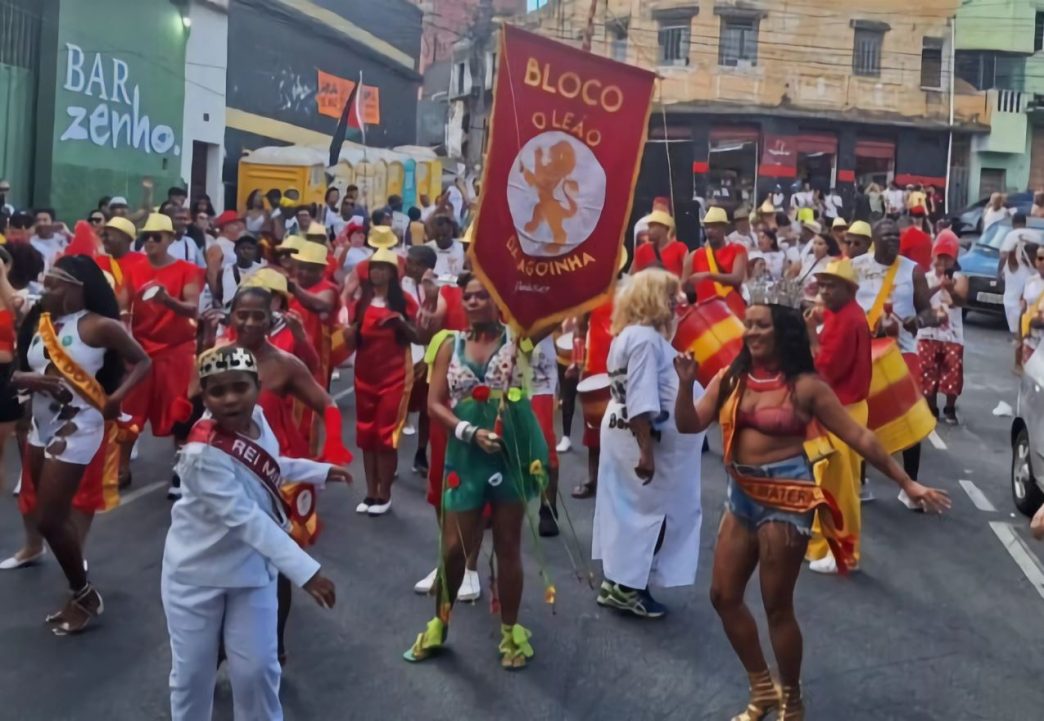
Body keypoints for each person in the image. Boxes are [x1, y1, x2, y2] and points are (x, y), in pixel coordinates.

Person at [674, 293, 950, 721]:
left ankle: (793, 699)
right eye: (747, 324)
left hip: (788, 500)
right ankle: (763, 688)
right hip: (741, 496)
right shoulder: (732, 377)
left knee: (776, 606)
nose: (751, 332)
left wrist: (906, 482)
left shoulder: (806, 386)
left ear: (782, 333)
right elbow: (689, 423)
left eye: (761, 325)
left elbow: (859, 437)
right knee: (722, 596)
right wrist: (682, 382)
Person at [162, 345, 348, 721]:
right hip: (197, 578)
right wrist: (307, 571)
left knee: (259, 671)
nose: (230, 399)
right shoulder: (201, 454)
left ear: (257, 386)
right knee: (193, 677)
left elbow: (268, 466)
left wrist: (317, 471)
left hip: (251, 572)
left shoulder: (259, 419)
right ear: (204, 396)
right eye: (217, 391)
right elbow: (245, 518)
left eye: (239, 387)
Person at [403, 273, 549, 668]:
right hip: (466, 454)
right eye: (467, 296)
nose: (472, 302)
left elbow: (556, 307)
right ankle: (439, 622)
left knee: (507, 544)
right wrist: (469, 431)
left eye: (482, 295)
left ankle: (510, 632)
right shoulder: (448, 344)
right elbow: (434, 403)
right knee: (453, 548)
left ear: (497, 301)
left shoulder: (518, 339)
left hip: (511, 450)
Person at [11, 255, 150, 633]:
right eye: (47, 282)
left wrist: (116, 398)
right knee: (48, 514)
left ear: (77, 288)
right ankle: (79, 590)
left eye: (56, 284)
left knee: (49, 518)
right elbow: (21, 369)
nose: (47, 289)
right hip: (41, 425)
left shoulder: (99, 326)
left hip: (78, 425)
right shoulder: (41, 324)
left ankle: (84, 593)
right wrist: (26, 378)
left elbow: (143, 362)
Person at [592, 268, 703, 618]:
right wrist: (646, 451)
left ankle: (619, 580)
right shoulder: (642, 338)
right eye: (670, 297)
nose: (675, 304)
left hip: (633, 435)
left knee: (631, 512)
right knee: (650, 515)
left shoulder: (638, 335)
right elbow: (640, 397)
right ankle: (629, 588)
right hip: (643, 440)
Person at [852, 218, 940, 509]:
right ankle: (860, 481)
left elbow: (929, 311)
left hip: (901, 351)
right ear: (874, 239)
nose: (892, 240)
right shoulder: (856, 266)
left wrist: (919, 321)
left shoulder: (912, 270)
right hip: (864, 350)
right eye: (886, 236)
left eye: (895, 237)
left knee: (911, 414)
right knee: (863, 415)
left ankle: (910, 487)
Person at [121, 213, 203, 499]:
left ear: (171, 238)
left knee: (180, 411)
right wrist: (124, 342)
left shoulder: (187, 270)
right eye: (147, 237)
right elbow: (122, 308)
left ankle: (180, 472)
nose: (151, 242)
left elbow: (192, 309)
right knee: (130, 411)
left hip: (177, 349)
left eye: (157, 237)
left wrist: (167, 300)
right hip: (141, 350)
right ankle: (121, 469)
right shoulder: (133, 269)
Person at [803, 258, 872, 574]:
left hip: (842, 411)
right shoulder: (842, 314)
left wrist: (811, 336)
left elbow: (826, 370)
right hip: (843, 408)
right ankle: (822, 546)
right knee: (828, 480)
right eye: (823, 285)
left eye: (831, 286)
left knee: (840, 486)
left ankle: (844, 553)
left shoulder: (847, 320)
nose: (825, 291)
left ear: (849, 289)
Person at [348, 246, 421, 516]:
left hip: (394, 377)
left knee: (386, 436)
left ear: (392, 273)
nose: (376, 272)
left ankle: (385, 494)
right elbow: (352, 337)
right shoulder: (361, 302)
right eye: (373, 267)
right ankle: (370, 492)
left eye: (382, 267)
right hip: (364, 376)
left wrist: (400, 323)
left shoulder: (404, 301)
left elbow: (419, 336)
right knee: (366, 436)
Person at [918, 232, 968, 424]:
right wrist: (938, 286)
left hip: (952, 336)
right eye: (940, 257)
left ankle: (949, 408)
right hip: (928, 333)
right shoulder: (925, 277)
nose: (943, 262)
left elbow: (961, 300)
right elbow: (920, 299)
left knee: (952, 372)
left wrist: (949, 288)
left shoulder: (960, 278)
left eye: (947, 258)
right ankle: (931, 407)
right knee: (927, 372)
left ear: (954, 258)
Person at [683, 206, 747, 316]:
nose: (710, 231)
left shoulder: (738, 250)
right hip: (704, 314)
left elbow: (737, 278)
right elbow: (683, 285)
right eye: (707, 227)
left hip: (731, 310)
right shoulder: (695, 255)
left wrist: (708, 276)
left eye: (714, 227)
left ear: (724, 228)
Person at [96, 217, 148, 310]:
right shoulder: (98, 262)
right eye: (103, 236)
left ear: (124, 237)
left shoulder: (143, 261)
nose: (103, 239)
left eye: (107, 235)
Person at [1000, 212, 1037, 340]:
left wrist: (999, 272)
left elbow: (1003, 255)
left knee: (1012, 302)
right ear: (1025, 222)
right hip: (1033, 275)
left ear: (1013, 223)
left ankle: (1017, 334)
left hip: (1015, 274)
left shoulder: (1011, 235)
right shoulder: (1035, 235)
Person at [205, 211, 245, 310]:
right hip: (225, 295)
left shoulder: (235, 245)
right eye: (235, 224)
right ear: (225, 226)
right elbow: (212, 274)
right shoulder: (217, 246)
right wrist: (216, 298)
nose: (240, 227)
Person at [217, 235, 264, 311]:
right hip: (229, 312)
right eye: (242, 248)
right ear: (235, 250)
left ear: (256, 252)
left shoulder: (262, 270)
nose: (246, 251)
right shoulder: (225, 270)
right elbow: (218, 294)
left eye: (250, 248)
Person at [632, 210, 687, 275]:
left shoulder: (679, 247)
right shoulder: (642, 249)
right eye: (649, 226)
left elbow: (685, 277)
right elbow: (635, 276)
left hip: (672, 284)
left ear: (664, 227)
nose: (648, 230)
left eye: (652, 226)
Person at [795, 232, 840, 305]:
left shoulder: (832, 262)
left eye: (820, 244)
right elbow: (800, 277)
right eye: (814, 243)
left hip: (815, 300)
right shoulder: (809, 259)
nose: (816, 247)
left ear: (828, 246)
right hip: (800, 296)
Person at [1020, 246, 1044, 364]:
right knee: (1029, 380)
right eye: (1040, 258)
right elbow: (1024, 310)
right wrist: (1022, 336)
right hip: (1031, 343)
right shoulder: (1030, 282)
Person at [900, 207, 932, 272]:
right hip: (926, 272)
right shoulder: (928, 235)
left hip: (912, 273)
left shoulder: (907, 235)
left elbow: (899, 255)